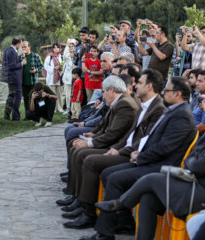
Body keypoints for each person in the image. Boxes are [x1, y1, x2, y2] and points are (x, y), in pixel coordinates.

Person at [82, 76, 197, 240]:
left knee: (115, 178)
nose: (163, 92)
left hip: (161, 167)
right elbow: (153, 139)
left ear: (178, 94)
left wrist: (140, 158)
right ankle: (125, 221)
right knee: (108, 173)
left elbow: (165, 148)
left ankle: (104, 233)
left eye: (167, 90)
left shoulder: (182, 116)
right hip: (152, 160)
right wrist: (138, 153)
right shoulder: (173, 110)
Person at [60, 69, 165, 229]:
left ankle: (88, 211)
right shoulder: (143, 105)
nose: (136, 87)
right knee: (80, 152)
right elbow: (127, 135)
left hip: (133, 155)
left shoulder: (151, 107)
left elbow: (141, 139)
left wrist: (116, 150)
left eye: (140, 83)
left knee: (88, 159)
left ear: (149, 86)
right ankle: (81, 201)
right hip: (124, 148)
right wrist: (105, 143)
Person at [96, 132, 205, 240]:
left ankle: (119, 203)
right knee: (148, 198)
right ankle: (121, 206)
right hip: (193, 183)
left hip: (200, 193)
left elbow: (197, 166)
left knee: (151, 179)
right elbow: (189, 161)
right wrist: (193, 162)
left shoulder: (182, 116)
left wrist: (193, 162)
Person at [64, 76, 139, 195]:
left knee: (82, 154)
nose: (103, 96)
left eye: (104, 92)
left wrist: (89, 142)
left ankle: (86, 205)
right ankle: (74, 193)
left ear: (112, 90)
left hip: (116, 146)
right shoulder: (119, 101)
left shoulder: (125, 104)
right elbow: (104, 124)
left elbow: (114, 134)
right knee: (75, 146)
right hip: (112, 142)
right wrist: (93, 135)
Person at [1, 37, 25, 121]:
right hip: (14, 78)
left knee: (11, 97)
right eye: (21, 44)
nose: (21, 46)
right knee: (17, 97)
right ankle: (15, 117)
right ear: (18, 44)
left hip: (11, 78)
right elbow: (12, 66)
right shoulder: (12, 51)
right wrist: (22, 63)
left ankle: (6, 116)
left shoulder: (8, 50)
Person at [20, 41, 43, 116]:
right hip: (23, 82)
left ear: (29, 47)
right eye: (22, 47)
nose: (24, 49)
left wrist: (36, 70)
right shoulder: (20, 57)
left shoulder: (36, 56)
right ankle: (28, 115)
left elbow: (41, 66)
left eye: (25, 47)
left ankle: (38, 114)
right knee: (26, 99)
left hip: (33, 82)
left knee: (36, 98)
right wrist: (23, 57)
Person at [44, 43, 64, 113]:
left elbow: (62, 67)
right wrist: (54, 68)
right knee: (52, 94)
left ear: (59, 48)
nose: (55, 49)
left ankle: (60, 108)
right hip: (51, 78)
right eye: (54, 47)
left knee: (59, 94)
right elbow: (45, 66)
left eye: (57, 47)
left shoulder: (60, 56)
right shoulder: (49, 56)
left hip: (59, 78)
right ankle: (53, 108)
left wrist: (60, 68)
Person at [62, 39, 76, 115]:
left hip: (75, 78)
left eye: (72, 46)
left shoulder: (77, 55)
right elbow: (64, 56)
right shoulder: (66, 56)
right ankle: (68, 108)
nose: (71, 48)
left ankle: (73, 108)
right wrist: (67, 45)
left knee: (74, 94)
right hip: (67, 78)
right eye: (69, 46)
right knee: (67, 95)